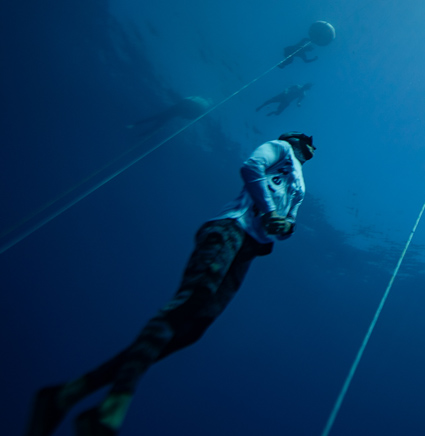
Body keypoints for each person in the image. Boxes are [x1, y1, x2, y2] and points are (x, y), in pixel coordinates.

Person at [25, 133, 315, 436]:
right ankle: (113, 404)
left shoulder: (301, 186)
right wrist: (269, 212)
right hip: (231, 227)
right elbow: (251, 166)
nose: (311, 145)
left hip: (250, 250)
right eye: (306, 140)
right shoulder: (280, 149)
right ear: (293, 139)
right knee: (191, 301)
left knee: (192, 328)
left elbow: (289, 223)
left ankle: (67, 395)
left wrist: (285, 226)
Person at [126, 96, 209, 135]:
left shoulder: (195, 99)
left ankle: (134, 125)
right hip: (176, 112)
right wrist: (184, 117)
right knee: (158, 124)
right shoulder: (201, 106)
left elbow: (184, 99)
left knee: (156, 117)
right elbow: (194, 116)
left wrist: (184, 115)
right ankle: (139, 134)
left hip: (174, 108)